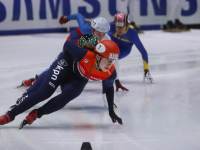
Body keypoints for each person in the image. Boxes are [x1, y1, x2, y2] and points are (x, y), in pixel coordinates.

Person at [0, 35, 123, 128]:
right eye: (107, 60)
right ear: (98, 56)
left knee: (69, 95)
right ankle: (10, 115)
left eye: (112, 61)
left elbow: (108, 87)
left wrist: (111, 110)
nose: (110, 64)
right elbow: (68, 45)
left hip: (78, 78)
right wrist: (63, 56)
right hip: (66, 64)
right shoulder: (84, 55)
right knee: (45, 92)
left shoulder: (110, 72)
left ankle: (37, 114)